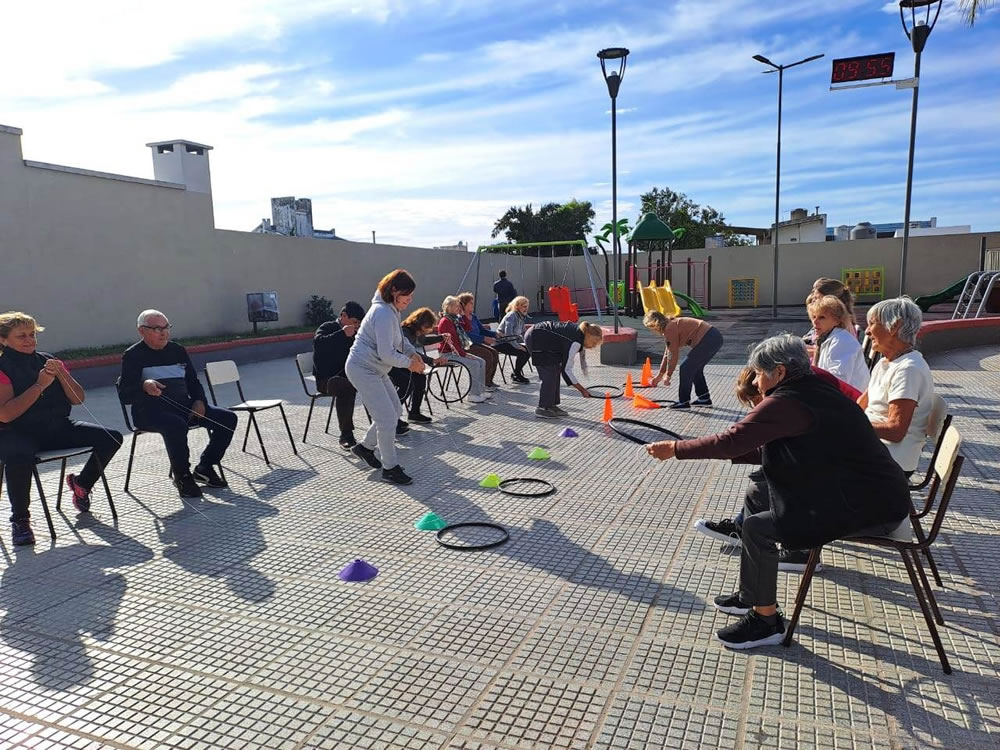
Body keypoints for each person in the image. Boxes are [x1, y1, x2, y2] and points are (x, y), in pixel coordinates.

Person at [648, 334, 910, 649]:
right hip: (868, 492)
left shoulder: (787, 401)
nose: (757, 382)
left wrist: (676, 449)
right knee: (757, 492)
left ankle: (766, 621)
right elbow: (765, 448)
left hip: (872, 508)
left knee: (758, 528)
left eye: (760, 373)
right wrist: (701, 451)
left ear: (781, 372)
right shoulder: (815, 390)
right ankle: (751, 595)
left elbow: (732, 441)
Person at [0, 312, 123, 546]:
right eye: (22, 336)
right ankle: (20, 520)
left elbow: (78, 399)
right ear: (3, 340)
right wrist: (40, 385)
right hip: (16, 432)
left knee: (111, 437)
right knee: (18, 456)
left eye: (33, 335)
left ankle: (82, 484)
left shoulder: (47, 360)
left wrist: (62, 375)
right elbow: (6, 413)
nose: (30, 340)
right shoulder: (2, 368)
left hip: (56, 427)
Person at [120, 310, 237, 498]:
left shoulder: (177, 350)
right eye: (157, 328)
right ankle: (182, 475)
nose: (163, 333)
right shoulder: (133, 355)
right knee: (176, 424)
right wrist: (144, 386)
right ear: (142, 331)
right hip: (149, 412)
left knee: (227, 418)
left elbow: (193, 381)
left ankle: (205, 467)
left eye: (166, 327)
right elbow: (125, 393)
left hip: (184, 407)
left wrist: (199, 401)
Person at [345, 269, 426, 485]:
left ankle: (364, 447)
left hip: (376, 368)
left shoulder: (390, 311)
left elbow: (398, 340)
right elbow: (386, 353)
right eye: (407, 295)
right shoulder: (381, 313)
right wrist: (411, 365)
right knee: (387, 419)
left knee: (396, 410)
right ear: (394, 291)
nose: (410, 300)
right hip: (362, 368)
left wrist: (412, 353)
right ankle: (390, 468)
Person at [859, 297, 934, 476]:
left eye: (872, 324)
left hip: (890, 460)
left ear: (894, 326)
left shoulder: (908, 369)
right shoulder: (886, 363)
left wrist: (850, 426)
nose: (867, 331)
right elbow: (861, 405)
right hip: (874, 448)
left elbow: (895, 431)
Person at [643, 311, 724, 409]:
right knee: (695, 369)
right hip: (714, 337)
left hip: (710, 338)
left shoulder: (670, 328)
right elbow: (667, 353)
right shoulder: (670, 326)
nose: (652, 331)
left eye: (651, 327)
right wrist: (660, 375)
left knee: (685, 368)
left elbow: (673, 354)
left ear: (655, 323)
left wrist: (668, 375)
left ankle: (683, 402)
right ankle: (704, 399)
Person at [312, 301, 365, 450]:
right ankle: (346, 435)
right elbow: (318, 343)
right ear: (343, 316)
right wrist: (341, 334)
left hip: (347, 376)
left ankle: (387, 422)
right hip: (325, 380)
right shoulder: (328, 327)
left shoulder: (355, 334)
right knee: (346, 386)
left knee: (374, 379)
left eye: (358, 324)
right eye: (354, 322)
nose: (355, 326)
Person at [524, 320, 603, 418]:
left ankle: (551, 405)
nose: (593, 346)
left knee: (555, 369)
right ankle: (542, 408)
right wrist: (582, 390)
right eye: (594, 342)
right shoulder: (576, 341)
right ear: (588, 335)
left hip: (541, 336)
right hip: (536, 337)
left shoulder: (579, 334)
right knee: (549, 372)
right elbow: (567, 369)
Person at [390, 307, 449, 424]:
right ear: (419, 323)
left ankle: (414, 413)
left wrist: (441, 337)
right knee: (407, 384)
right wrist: (431, 360)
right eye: (427, 327)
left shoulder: (417, 331)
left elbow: (424, 341)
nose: (428, 330)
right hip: (396, 363)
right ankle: (392, 416)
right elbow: (410, 352)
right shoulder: (405, 331)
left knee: (421, 378)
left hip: (407, 363)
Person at [808, 295, 869, 392]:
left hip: (849, 400)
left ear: (837, 320)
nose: (815, 322)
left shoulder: (841, 340)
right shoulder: (827, 338)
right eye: (814, 317)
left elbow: (839, 380)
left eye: (822, 317)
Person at [437, 296, 491, 404]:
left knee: (481, 361)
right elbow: (451, 343)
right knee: (474, 364)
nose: (457, 308)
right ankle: (473, 394)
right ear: (447, 307)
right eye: (454, 306)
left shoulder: (455, 319)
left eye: (458, 306)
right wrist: (464, 355)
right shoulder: (445, 321)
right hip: (447, 354)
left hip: (457, 352)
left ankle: (480, 391)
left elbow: (467, 328)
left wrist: (462, 315)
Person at [457, 293, 501, 389]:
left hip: (477, 344)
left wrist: (495, 333)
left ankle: (489, 382)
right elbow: (467, 335)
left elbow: (482, 330)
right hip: (467, 346)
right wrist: (484, 338)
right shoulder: (460, 318)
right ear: (463, 305)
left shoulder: (473, 316)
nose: (473, 305)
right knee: (487, 355)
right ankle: (483, 384)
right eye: (471, 303)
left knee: (494, 353)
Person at [495, 296, 532, 384]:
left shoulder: (522, 317)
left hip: (512, 341)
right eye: (524, 306)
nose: (526, 309)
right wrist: (518, 346)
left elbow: (523, 333)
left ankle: (516, 373)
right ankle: (517, 374)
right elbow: (508, 334)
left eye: (527, 306)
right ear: (517, 306)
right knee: (523, 352)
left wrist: (527, 343)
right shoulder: (511, 316)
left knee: (528, 350)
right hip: (501, 342)